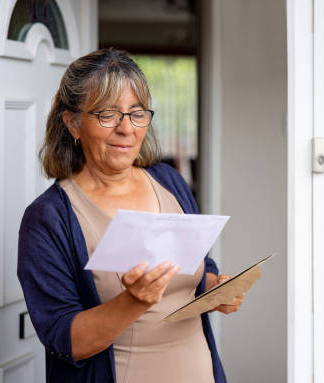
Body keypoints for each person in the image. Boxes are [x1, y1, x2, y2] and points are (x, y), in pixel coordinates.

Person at [17, 48, 244, 383]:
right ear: (72, 122)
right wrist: (133, 301)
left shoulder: (169, 181)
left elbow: (198, 268)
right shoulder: (47, 218)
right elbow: (64, 339)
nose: (126, 129)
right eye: (107, 114)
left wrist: (215, 289)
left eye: (137, 114)